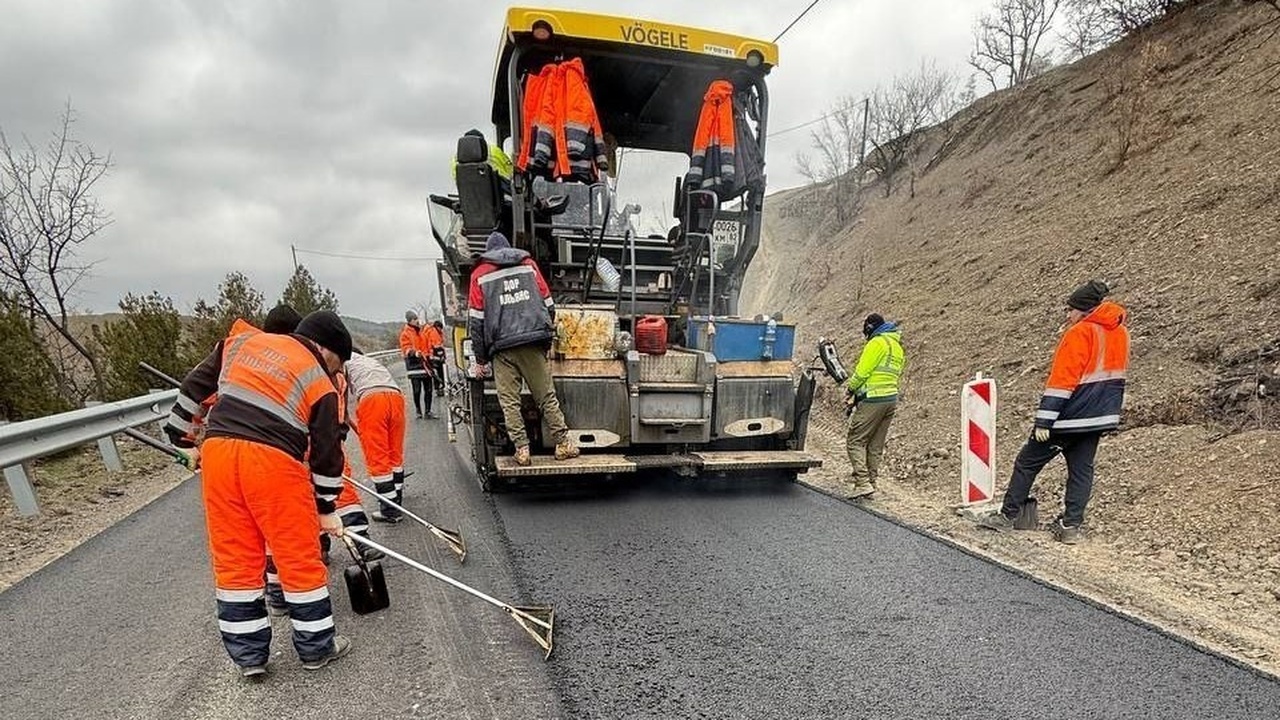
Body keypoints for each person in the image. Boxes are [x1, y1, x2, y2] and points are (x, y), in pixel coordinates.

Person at [165, 310, 354, 677]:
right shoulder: (319, 379)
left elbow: (194, 385)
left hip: (218, 456)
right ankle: (317, 647)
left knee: (235, 559)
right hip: (272, 463)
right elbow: (327, 453)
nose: (336, 372)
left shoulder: (241, 344)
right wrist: (325, 506)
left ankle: (249, 658)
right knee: (297, 554)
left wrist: (180, 438)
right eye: (337, 363)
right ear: (325, 348)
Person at [979, 281, 1130, 544]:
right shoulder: (1120, 333)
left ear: (1084, 311)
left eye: (1071, 310)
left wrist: (1044, 420)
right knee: (1082, 471)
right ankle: (1070, 526)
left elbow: (1063, 380)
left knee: (1027, 462)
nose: (1068, 315)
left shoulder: (1079, 333)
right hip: (1099, 417)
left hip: (1068, 417)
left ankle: (1008, 516)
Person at [466, 231, 579, 466]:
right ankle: (562, 444)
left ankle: (522, 450)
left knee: (509, 402)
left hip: (502, 349)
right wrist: (545, 340)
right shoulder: (528, 265)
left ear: (489, 252)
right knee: (546, 396)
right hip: (532, 341)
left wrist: (480, 359)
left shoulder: (479, 274)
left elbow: (476, 323)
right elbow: (549, 304)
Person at [844, 313, 905, 500]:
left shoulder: (876, 344)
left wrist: (850, 389)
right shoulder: (897, 347)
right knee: (875, 445)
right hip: (891, 400)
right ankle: (871, 482)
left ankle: (862, 483)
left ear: (869, 329)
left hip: (873, 400)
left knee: (855, 440)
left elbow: (862, 372)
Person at [344, 350, 408, 524]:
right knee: (394, 454)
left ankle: (389, 510)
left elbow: (339, 389)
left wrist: (343, 417)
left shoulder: (342, 359)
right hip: (396, 398)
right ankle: (397, 500)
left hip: (372, 401)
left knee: (378, 458)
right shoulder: (369, 362)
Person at [399, 310, 432, 418]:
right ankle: (418, 410)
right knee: (417, 390)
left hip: (425, 364)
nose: (417, 321)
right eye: (414, 319)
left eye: (417, 318)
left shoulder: (421, 332)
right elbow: (406, 348)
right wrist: (414, 353)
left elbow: (427, 345)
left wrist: (429, 356)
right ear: (410, 321)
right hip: (414, 365)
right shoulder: (405, 334)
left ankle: (428, 411)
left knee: (428, 389)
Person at [425, 320, 447, 394]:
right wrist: (442, 356)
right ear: (438, 327)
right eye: (441, 328)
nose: (441, 330)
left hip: (432, 357)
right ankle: (440, 387)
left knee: (435, 373)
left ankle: (438, 387)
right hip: (435, 357)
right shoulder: (434, 332)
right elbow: (437, 346)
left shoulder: (431, 331)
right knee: (439, 372)